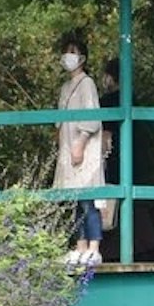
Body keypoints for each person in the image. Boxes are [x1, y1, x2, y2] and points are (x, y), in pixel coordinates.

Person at [55, 45, 107, 267]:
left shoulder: (87, 84)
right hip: (67, 147)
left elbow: (92, 118)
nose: (69, 56)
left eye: (73, 52)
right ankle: (80, 245)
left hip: (84, 147)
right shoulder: (66, 86)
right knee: (75, 199)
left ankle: (94, 247)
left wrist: (81, 143)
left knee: (88, 197)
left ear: (82, 58)